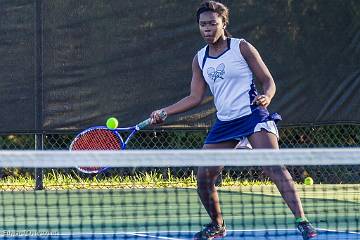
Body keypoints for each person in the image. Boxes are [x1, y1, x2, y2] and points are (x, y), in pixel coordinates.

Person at [150, 1, 317, 240]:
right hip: (225, 122)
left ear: (223, 23)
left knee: (274, 167)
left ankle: (302, 221)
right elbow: (195, 97)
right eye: (202, 25)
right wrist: (165, 111)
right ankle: (217, 225)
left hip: (252, 115)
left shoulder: (242, 47)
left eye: (212, 24)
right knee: (204, 177)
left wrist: (267, 96)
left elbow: (268, 80)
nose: (207, 29)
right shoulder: (200, 59)